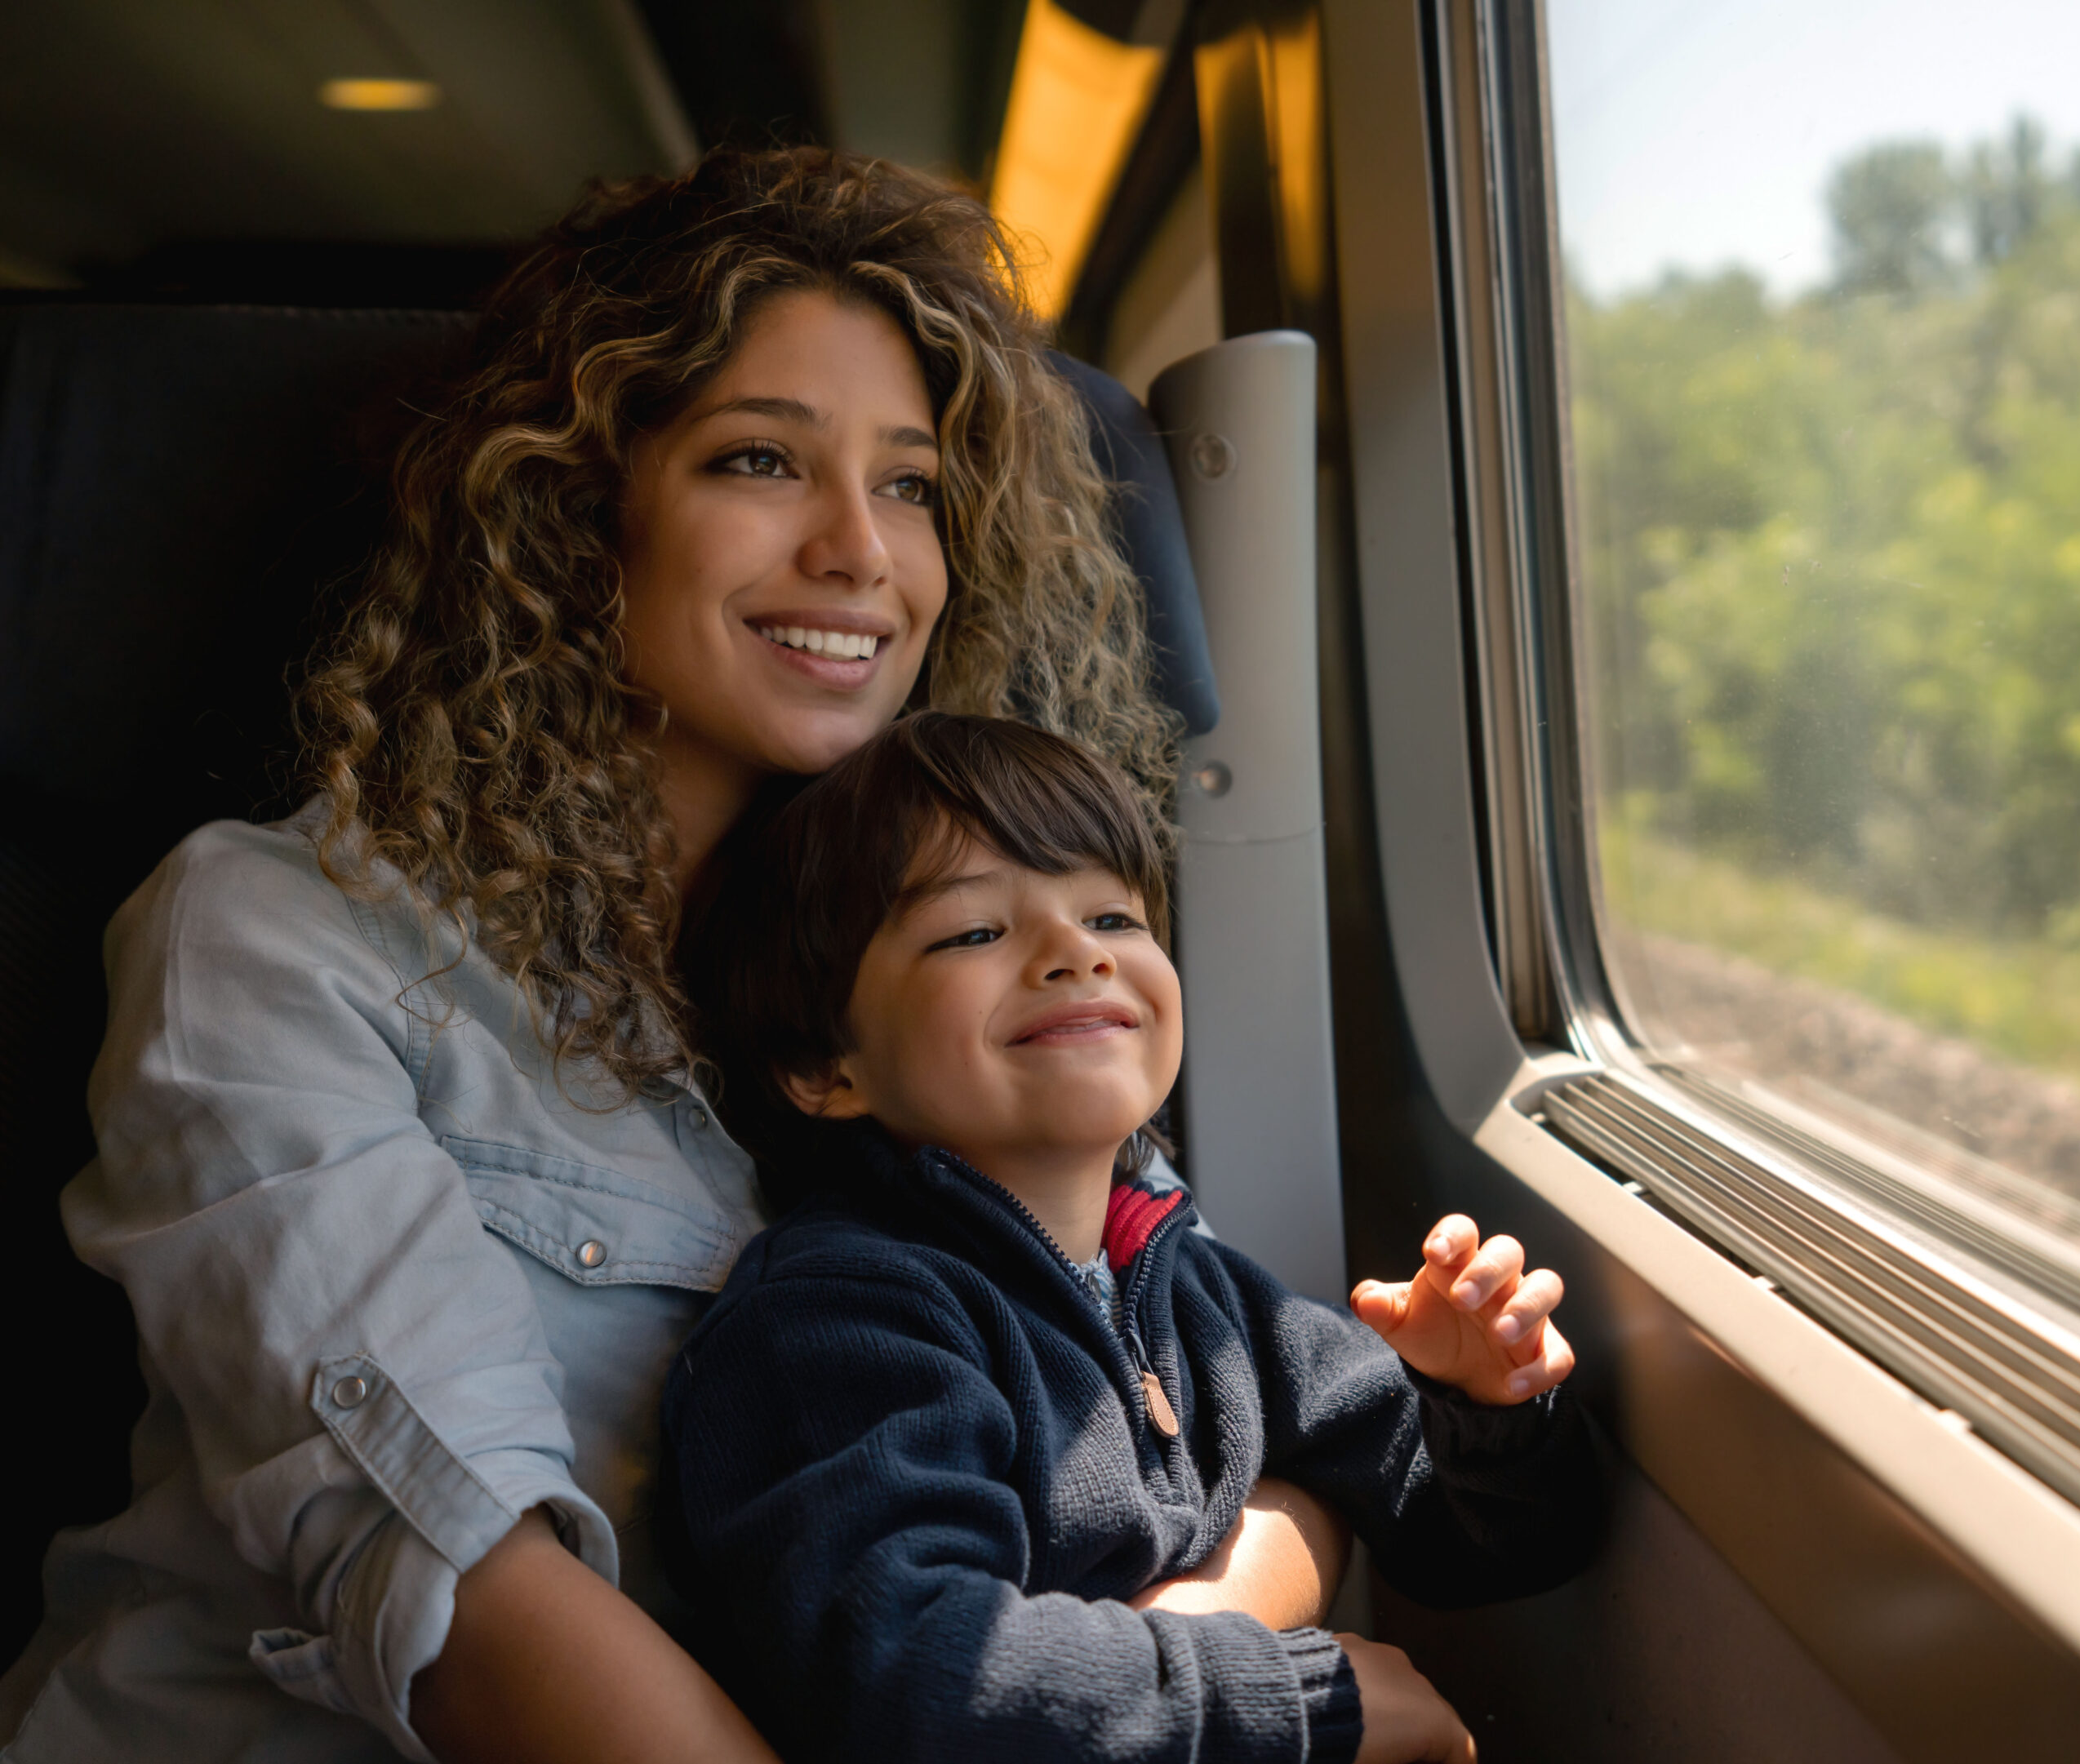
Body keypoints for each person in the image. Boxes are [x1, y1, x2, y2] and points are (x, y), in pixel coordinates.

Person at [0, 149, 1350, 1764]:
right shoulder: (279, 937)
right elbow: (473, 1612)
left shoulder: (978, 967)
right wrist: (1178, 1703)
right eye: (762, 459)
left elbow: (1215, 1423)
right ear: (578, 513)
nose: (862, 550)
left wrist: (1144, 1685)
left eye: (910, 483)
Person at [667, 712, 1605, 1764]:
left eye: (1113, 916)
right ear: (824, 1066)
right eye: (974, 932)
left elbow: (1499, 1545)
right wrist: (1305, 1702)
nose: (1074, 955)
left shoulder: (1202, 1296)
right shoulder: (837, 1322)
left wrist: (1485, 1403)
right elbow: (915, 1677)